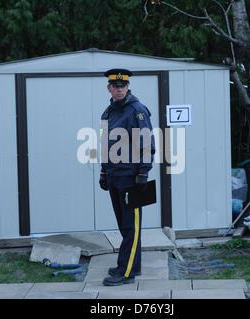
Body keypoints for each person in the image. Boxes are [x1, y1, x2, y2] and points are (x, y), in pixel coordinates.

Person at [99, 68, 155, 286]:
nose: (120, 89)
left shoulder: (137, 110)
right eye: (116, 86)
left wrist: (144, 171)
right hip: (114, 176)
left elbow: (147, 143)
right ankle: (133, 264)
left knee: (132, 227)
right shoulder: (108, 113)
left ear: (128, 87)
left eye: (123, 86)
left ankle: (126, 272)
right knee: (125, 226)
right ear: (109, 88)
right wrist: (104, 172)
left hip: (132, 177)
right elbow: (105, 144)